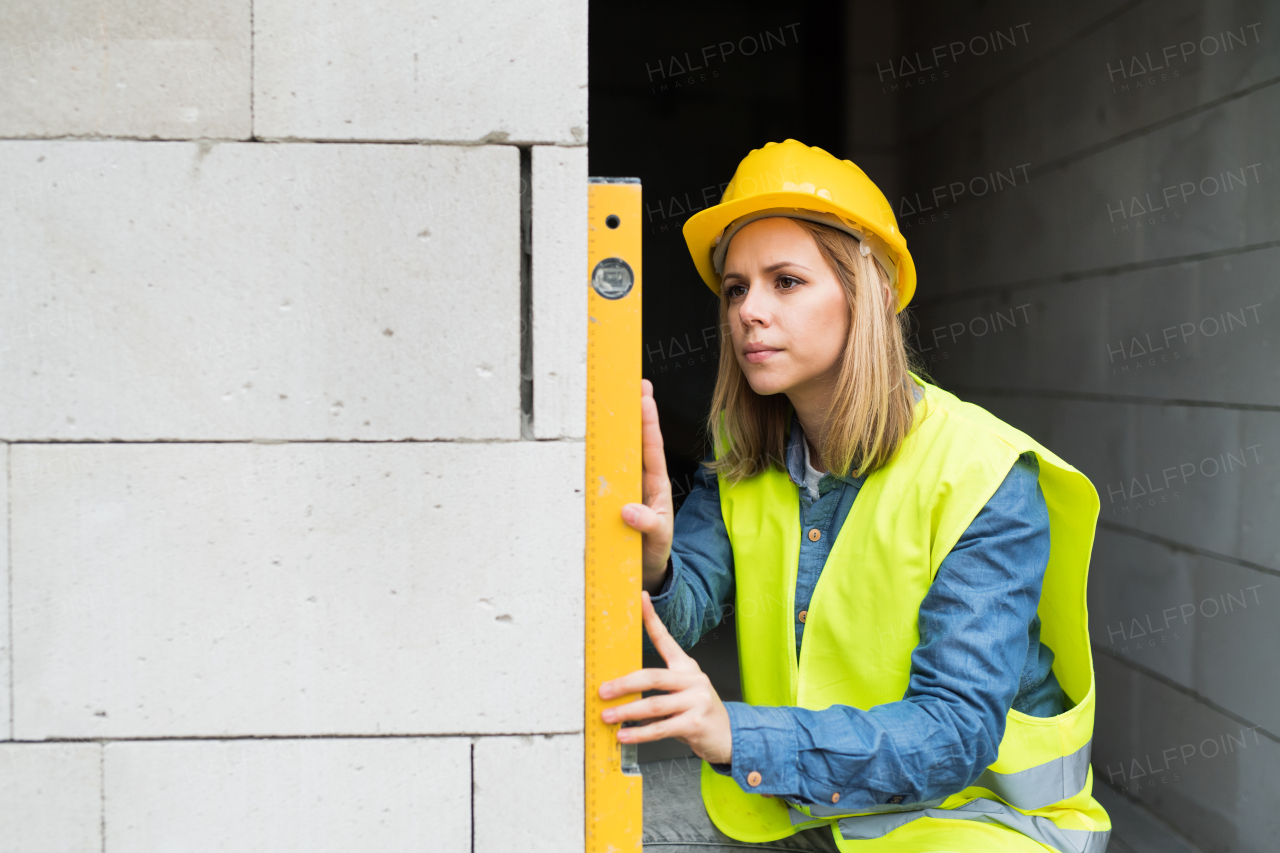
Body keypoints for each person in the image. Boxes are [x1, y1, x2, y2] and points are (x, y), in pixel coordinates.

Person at [595, 140, 1112, 853]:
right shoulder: (748, 454)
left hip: (975, 822)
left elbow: (954, 733)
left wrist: (736, 732)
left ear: (861, 293)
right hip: (812, 806)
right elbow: (682, 616)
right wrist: (652, 561)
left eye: (786, 281)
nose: (751, 311)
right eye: (737, 288)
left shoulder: (983, 472)